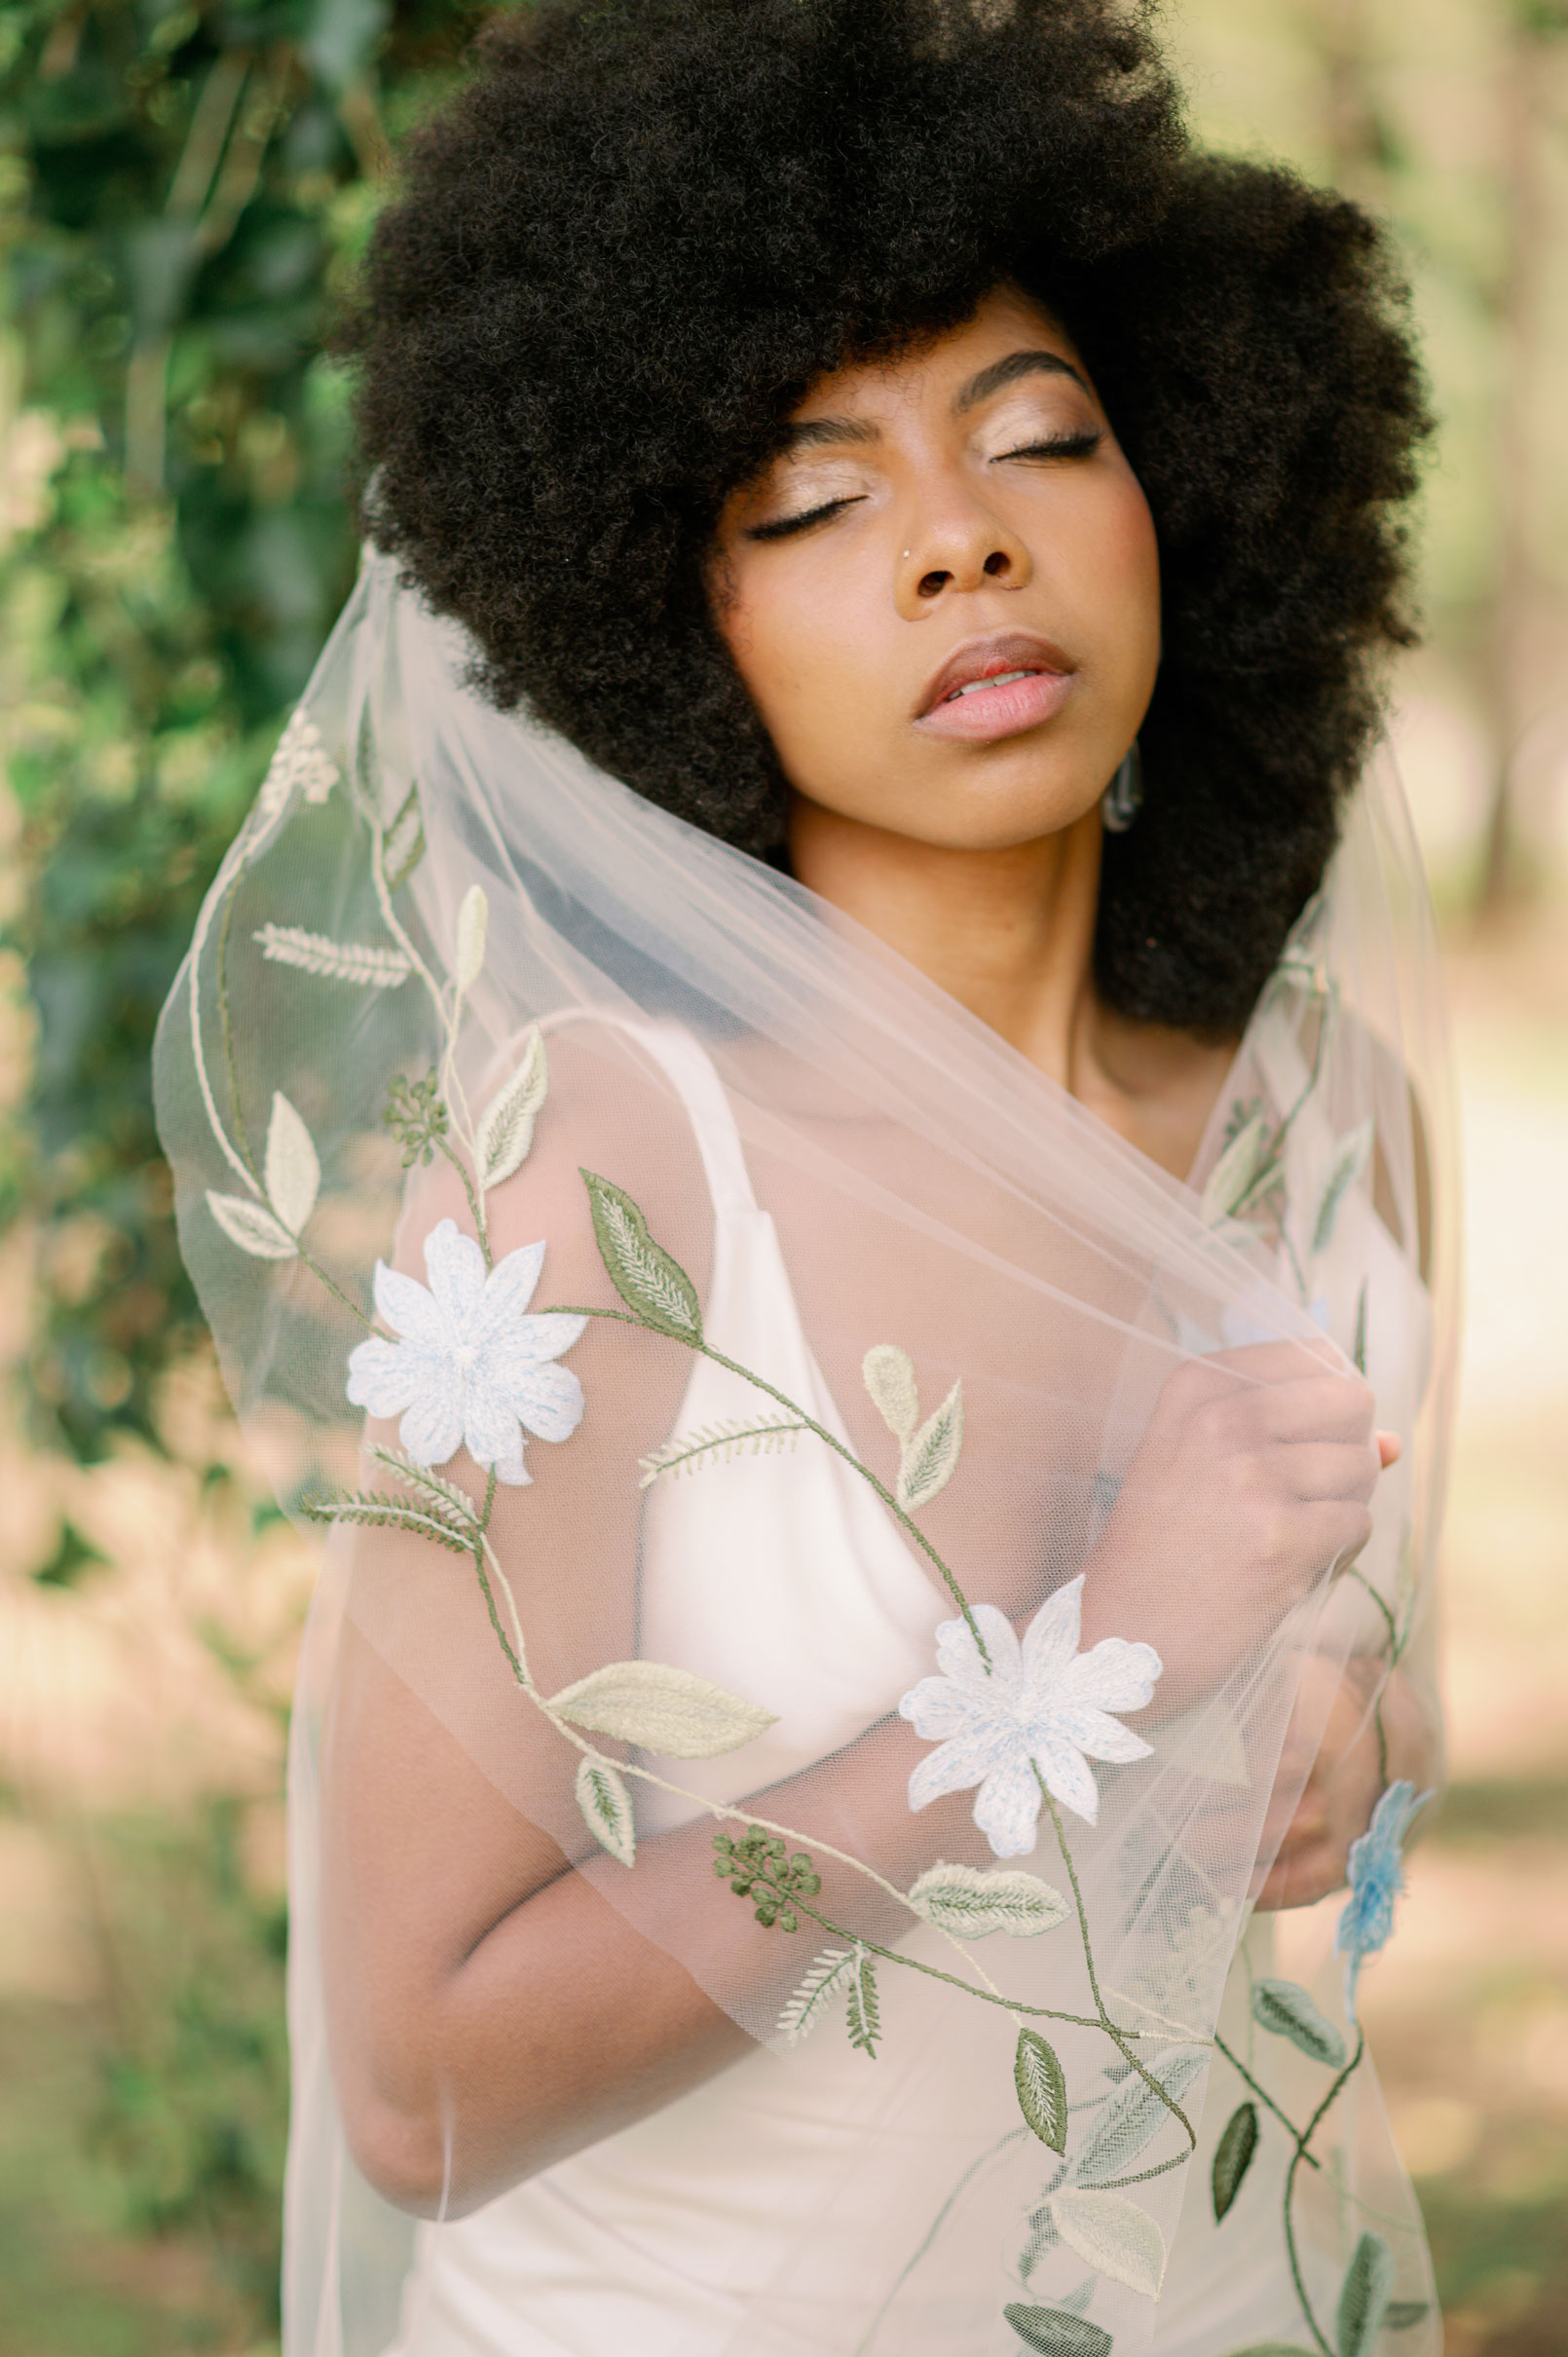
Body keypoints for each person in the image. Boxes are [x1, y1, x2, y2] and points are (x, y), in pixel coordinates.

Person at [155, 2, 1456, 2352]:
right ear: (671, 622)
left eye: (1040, 440)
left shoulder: (1330, 1116)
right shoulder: (598, 1173)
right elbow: (419, 2091)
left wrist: (1341, 1768)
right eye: (811, 501)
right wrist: (1093, 1673)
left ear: (1196, 488)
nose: (960, 540)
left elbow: (1347, 1747)